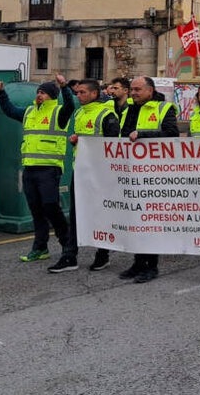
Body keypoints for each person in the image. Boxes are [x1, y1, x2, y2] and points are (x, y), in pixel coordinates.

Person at [0, 75, 75, 264]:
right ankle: (40, 248)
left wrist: (64, 87)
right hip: (30, 169)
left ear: (52, 96)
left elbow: (70, 105)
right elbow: (9, 110)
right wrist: (2, 93)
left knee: (51, 207)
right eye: (38, 92)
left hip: (49, 169)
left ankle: (67, 245)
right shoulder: (29, 111)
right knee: (36, 210)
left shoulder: (58, 113)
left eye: (44, 92)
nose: (40, 95)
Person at [118, 76, 178, 283]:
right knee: (135, 220)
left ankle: (151, 266)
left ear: (150, 91)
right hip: (133, 173)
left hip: (155, 175)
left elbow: (172, 134)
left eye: (137, 89)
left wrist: (143, 134)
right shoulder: (130, 109)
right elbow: (124, 135)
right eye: (132, 90)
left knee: (150, 222)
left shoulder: (164, 108)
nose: (133, 93)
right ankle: (137, 262)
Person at [63, 79, 120, 273]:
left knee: (100, 215)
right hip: (79, 172)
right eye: (77, 93)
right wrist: (75, 141)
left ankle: (102, 255)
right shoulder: (79, 113)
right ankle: (69, 256)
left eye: (82, 93)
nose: (78, 96)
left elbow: (113, 146)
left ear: (94, 94)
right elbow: (83, 141)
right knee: (75, 214)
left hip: (100, 174)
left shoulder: (107, 114)